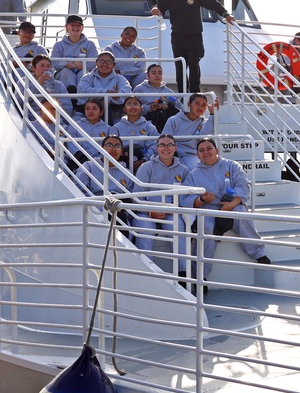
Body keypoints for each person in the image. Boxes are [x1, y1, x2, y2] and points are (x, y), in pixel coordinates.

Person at [182, 137, 270, 279]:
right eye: (201, 150)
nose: (206, 152)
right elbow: (185, 199)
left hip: (231, 204)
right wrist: (202, 199)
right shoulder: (193, 174)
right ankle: (200, 274)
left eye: (209, 148)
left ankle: (258, 253)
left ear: (216, 150)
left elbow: (242, 186)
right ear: (198, 155)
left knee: (241, 213)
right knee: (206, 226)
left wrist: (232, 204)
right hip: (208, 209)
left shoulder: (232, 166)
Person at [151, 0, 235, 93]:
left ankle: (194, 94)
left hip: (195, 36)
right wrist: (155, 9)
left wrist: (226, 14)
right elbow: (159, 8)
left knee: (194, 66)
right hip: (178, 37)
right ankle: (182, 95)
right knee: (180, 67)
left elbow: (213, 3)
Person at [134, 134, 190, 270]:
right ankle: (147, 272)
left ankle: (183, 274)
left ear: (175, 148)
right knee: (144, 231)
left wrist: (173, 209)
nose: (166, 148)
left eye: (170, 145)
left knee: (178, 231)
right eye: (162, 145)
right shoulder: (146, 167)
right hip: (146, 212)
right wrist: (150, 211)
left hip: (172, 212)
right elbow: (136, 196)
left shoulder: (183, 170)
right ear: (157, 148)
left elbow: (186, 197)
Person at [163, 93, 217, 169]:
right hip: (172, 155)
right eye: (197, 104)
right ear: (189, 104)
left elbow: (204, 138)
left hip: (193, 156)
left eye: (203, 105)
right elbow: (165, 141)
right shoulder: (173, 120)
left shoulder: (204, 122)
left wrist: (212, 114)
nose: (200, 107)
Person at [78, 51, 133, 123]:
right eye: (101, 61)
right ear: (96, 62)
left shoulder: (119, 78)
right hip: (87, 111)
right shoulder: (88, 77)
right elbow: (82, 90)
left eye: (108, 62)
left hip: (113, 111)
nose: (104, 64)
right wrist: (106, 93)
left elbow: (127, 92)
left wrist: (108, 99)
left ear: (114, 65)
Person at [50, 15, 99, 91]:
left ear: (82, 28)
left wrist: (80, 65)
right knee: (66, 72)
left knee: (83, 73)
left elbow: (94, 62)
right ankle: (70, 94)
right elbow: (54, 62)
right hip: (64, 74)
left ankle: (82, 95)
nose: (75, 27)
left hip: (83, 71)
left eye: (78, 25)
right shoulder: (59, 45)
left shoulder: (90, 44)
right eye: (72, 25)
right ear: (66, 27)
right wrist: (68, 64)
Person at [132, 63, 183, 132]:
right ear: (147, 75)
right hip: (144, 122)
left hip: (164, 122)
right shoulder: (139, 89)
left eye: (160, 73)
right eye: (153, 73)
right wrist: (149, 107)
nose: (157, 75)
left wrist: (167, 108)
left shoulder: (168, 92)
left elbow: (179, 110)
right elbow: (132, 108)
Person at [115, 95, 160, 170]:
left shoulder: (149, 127)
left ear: (141, 108)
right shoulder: (117, 127)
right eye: (129, 104)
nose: (132, 107)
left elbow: (154, 146)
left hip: (145, 162)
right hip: (122, 162)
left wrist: (144, 160)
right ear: (124, 109)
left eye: (135, 104)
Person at [69, 98, 115, 162]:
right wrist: (79, 155)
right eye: (87, 109)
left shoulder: (108, 129)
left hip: (101, 162)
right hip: (79, 161)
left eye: (94, 108)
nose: (90, 111)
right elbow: (71, 143)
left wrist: (100, 159)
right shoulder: (75, 126)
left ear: (101, 112)